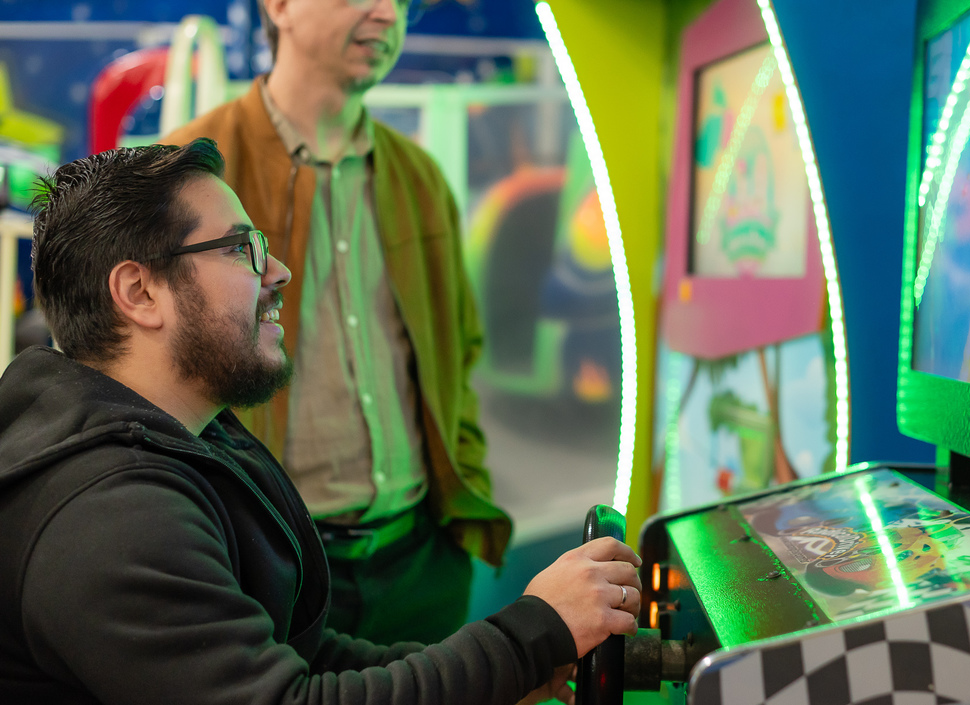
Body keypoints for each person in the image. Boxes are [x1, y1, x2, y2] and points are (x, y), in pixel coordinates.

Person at [0, 139, 642, 704]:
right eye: (241, 249)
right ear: (139, 293)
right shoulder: (110, 514)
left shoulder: (195, 437)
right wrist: (532, 633)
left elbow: (300, 652)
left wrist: (505, 672)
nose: (278, 272)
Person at [162, 0, 503, 644]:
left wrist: (459, 486)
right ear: (279, 2)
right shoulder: (189, 168)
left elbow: (459, 354)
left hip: (422, 562)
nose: (389, 10)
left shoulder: (418, 175)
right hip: (268, 563)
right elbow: (140, 376)